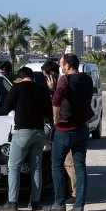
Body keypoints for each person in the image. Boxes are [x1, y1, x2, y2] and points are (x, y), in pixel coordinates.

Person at [46, 53, 93, 211]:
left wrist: (55, 119)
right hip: (82, 129)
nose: (60, 67)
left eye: (61, 64)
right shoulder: (87, 79)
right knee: (80, 167)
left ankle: (59, 204)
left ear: (67, 66)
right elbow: (75, 97)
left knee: (56, 165)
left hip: (65, 131)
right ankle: (79, 206)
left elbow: (57, 100)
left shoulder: (64, 79)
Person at [0, 66, 52, 211]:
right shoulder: (41, 89)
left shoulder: (17, 88)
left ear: (20, 77)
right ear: (32, 77)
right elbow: (48, 112)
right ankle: (35, 202)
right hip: (39, 133)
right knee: (36, 168)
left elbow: (5, 107)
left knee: (14, 167)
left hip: (22, 132)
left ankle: (12, 202)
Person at [41, 60, 77, 201]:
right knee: (56, 163)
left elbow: (60, 105)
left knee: (69, 163)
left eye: (46, 76)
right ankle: (62, 192)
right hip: (54, 130)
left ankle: (73, 194)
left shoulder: (62, 85)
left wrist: (53, 90)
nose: (46, 80)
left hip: (64, 128)